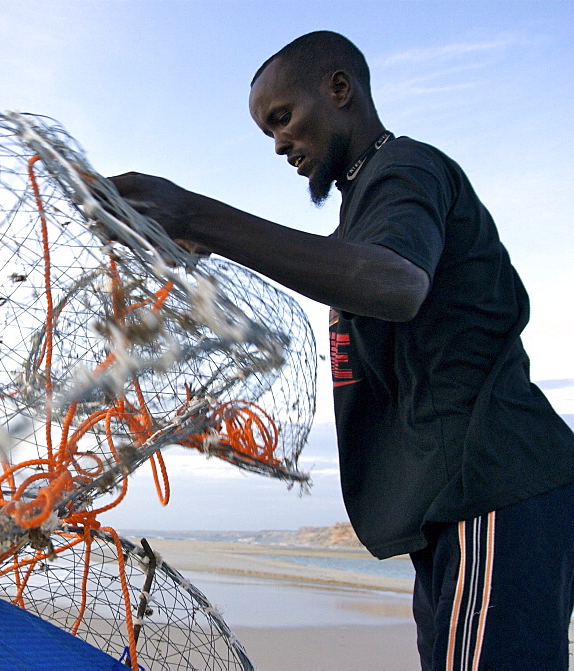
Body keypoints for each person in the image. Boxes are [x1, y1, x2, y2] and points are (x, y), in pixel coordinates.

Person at [109, 31, 574, 669]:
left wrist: (196, 217)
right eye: (266, 131)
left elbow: (396, 283)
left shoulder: (404, 168)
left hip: (492, 485)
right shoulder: (362, 211)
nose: (278, 143)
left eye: (283, 119)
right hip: (450, 508)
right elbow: (357, 269)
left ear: (338, 89)